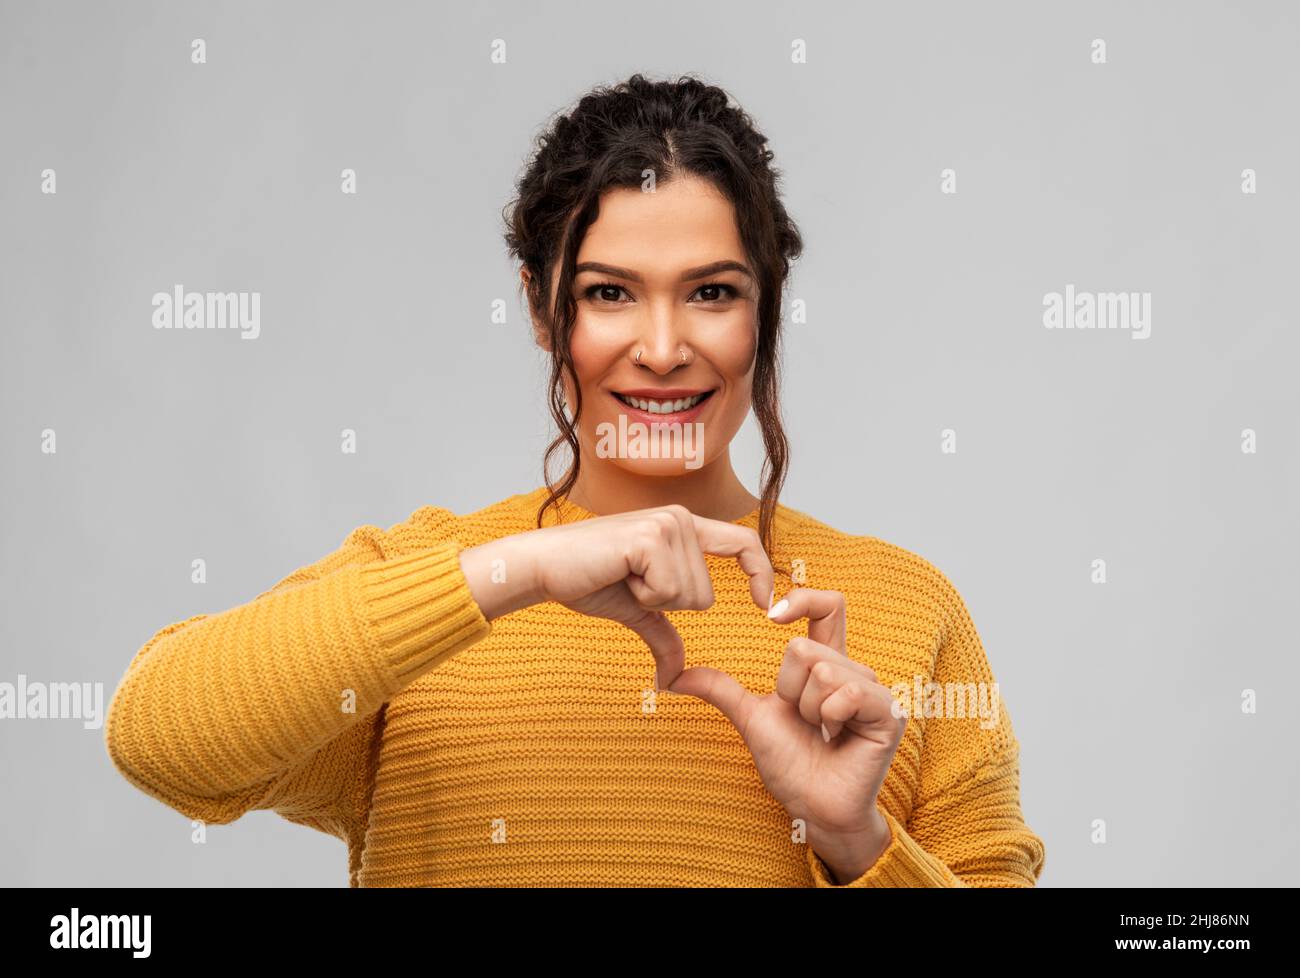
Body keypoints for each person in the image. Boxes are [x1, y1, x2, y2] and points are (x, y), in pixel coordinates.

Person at [105, 73, 1046, 887]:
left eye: (712, 292)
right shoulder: (431, 580)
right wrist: (519, 572)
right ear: (542, 311)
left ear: (766, 310)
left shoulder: (905, 612)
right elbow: (158, 735)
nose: (665, 348)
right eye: (609, 293)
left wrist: (854, 839)